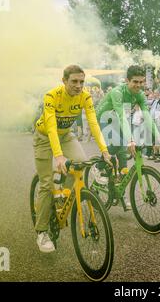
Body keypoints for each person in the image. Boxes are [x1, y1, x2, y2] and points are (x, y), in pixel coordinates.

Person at [33, 65, 111, 253]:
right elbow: (51, 126)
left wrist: (105, 151)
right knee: (46, 184)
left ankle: (64, 196)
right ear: (64, 81)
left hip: (66, 136)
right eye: (74, 81)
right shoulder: (52, 96)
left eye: (81, 82)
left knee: (80, 164)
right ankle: (42, 232)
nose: (78, 86)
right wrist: (58, 156)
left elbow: (93, 122)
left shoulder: (85, 96)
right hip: (44, 137)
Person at [95, 65, 160, 190]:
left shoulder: (140, 95)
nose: (139, 85)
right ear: (127, 81)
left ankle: (118, 190)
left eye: (141, 82)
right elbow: (121, 117)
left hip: (118, 118)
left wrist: (158, 137)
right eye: (135, 82)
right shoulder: (117, 92)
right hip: (103, 117)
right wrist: (130, 140)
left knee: (123, 154)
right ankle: (99, 167)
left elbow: (147, 117)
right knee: (119, 142)